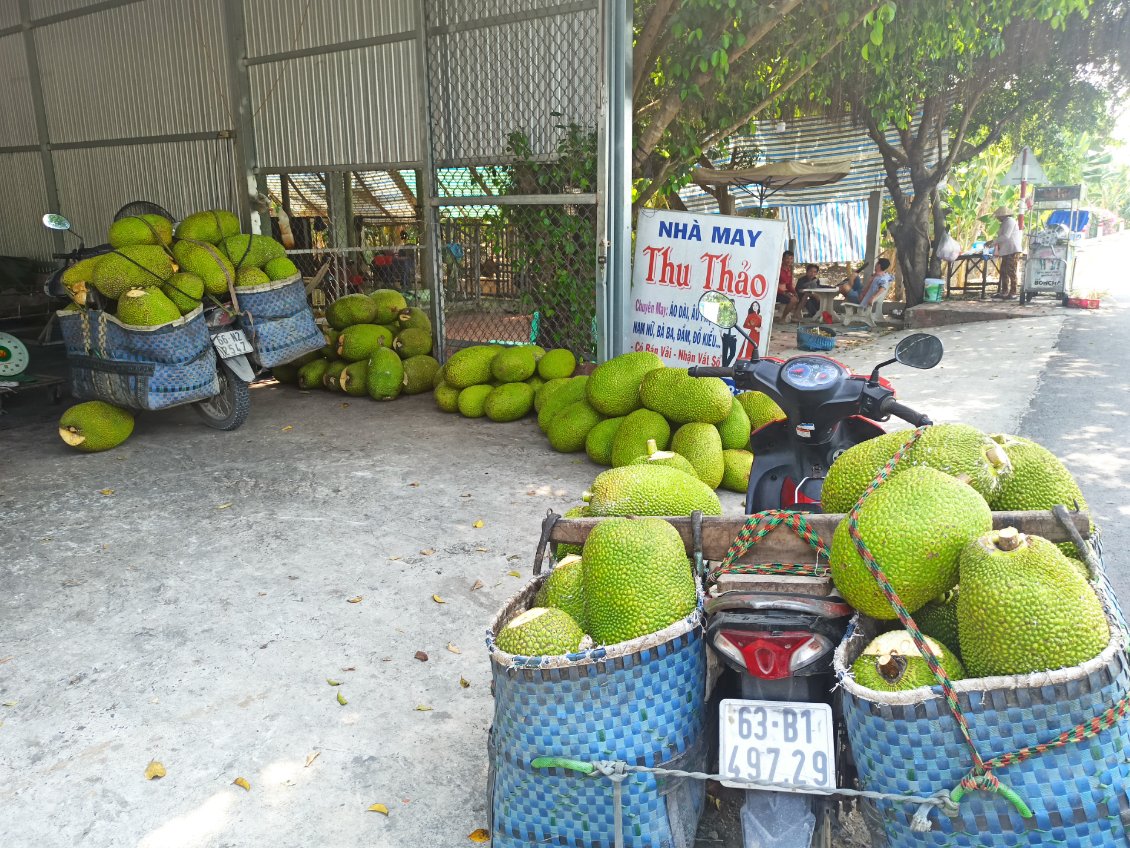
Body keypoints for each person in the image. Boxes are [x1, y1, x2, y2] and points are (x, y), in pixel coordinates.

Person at [990, 205, 1022, 300]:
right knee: (1003, 271)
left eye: (998, 216)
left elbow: (1006, 236)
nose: (997, 218)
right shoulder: (1004, 222)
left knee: (1011, 271)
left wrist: (993, 242)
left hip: (1012, 250)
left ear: (1002, 215)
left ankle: (1013, 292)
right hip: (1006, 250)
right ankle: (1004, 291)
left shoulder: (1010, 221)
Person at [776, 251, 803, 322]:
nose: (789, 261)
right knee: (793, 300)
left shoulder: (789, 270)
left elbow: (789, 285)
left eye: (791, 259)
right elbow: (774, 285)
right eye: (787, 258)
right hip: (776, 293)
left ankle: (794, 316)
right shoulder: (778, 269)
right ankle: (783, 318)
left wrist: (795, 293)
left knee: (798, 297)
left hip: (784, 292)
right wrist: (784, 293)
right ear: (783, 259)